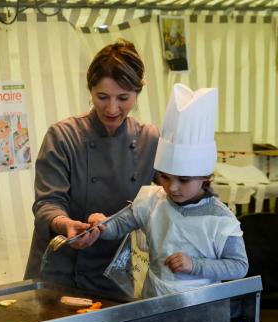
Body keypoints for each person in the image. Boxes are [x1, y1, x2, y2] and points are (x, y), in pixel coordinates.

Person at [25, 39, 160, 297]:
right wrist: (66, 224)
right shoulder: (63, 136)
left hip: (114, 273)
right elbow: (46, 204)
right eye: (102, 97)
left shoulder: (149, 140)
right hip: (60, 270)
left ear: (138, 92)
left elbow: (170, 197)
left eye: (123, 98)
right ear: (90, 91)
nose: (112, 108)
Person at [87, 84, 248, 298]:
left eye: (183, 180)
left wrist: (195, 265)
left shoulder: (220, 219)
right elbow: (119, 224)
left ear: (204, 177)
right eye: (164, 177)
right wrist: (102, 226)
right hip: (155, 299)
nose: (172, 187)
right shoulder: (152, 201)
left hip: (201, 307)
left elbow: (238, 266)